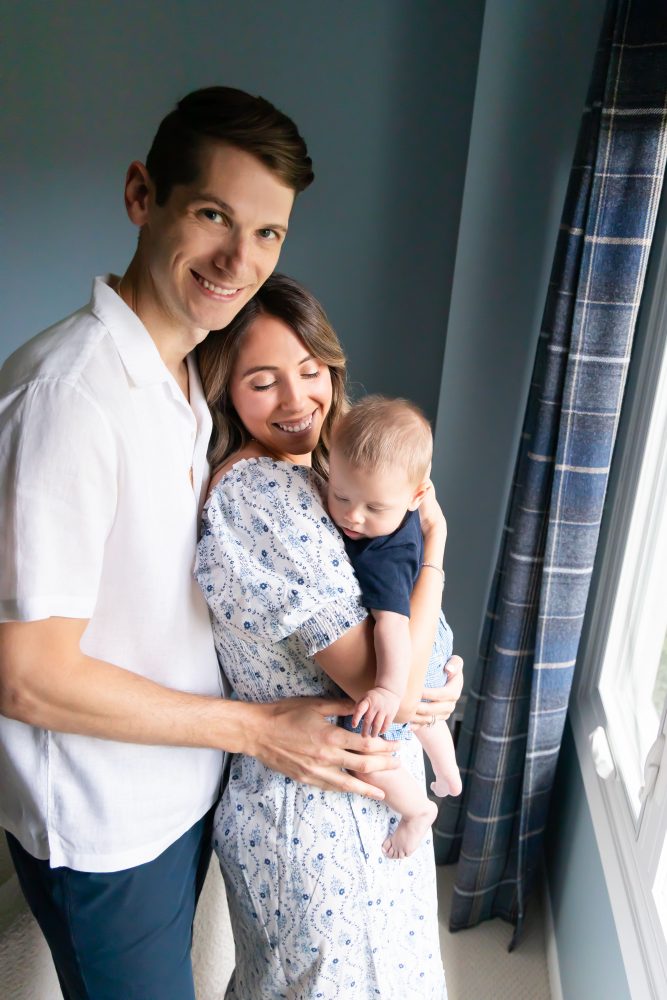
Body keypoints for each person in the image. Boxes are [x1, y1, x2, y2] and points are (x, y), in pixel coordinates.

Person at [0, 87, 461, 1000]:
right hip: (105, 820)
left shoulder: (178, 388)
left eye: (267, 233)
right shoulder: (68, 397)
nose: (237, 259)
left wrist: (422, 679)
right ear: (142, 195)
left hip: (185, 786)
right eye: (213, 214)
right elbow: (24, 676)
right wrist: (256, 729)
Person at [195, 273, 453, 998]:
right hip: (319, 809)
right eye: (262, 381)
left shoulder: (325, 477)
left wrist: (445, 670)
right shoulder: (263, 495)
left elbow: (406, 638)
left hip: (363, 796)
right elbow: (394, 688)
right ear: (225, 391)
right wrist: (435, 547)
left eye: (310, 371)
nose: (296, 399)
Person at [326, 395, 463, 859]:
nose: (353, 516)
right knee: (427, 714)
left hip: (406, 644)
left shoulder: (383, 557)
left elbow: (391, 626)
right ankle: (447, 771)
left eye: (373, 507)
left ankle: (418, 810)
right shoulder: (397, 503)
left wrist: (387, 689)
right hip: (434, 630)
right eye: (341, 495)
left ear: (417, 496)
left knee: (362, 753)